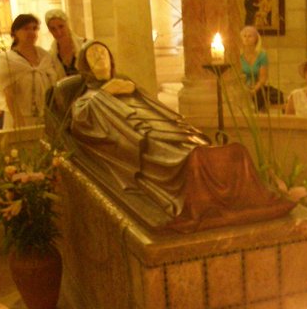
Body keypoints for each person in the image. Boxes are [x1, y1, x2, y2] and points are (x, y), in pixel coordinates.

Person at [52, 40, 294, 230]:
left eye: (103, 53)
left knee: (223, 150)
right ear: (85, 66)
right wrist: (104, 93)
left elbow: (161, 112)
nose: (99, 57)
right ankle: (193, 166)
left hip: (164, 128)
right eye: (93, 55)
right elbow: (83, 127)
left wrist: (132, 90)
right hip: (141, 139)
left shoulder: (130, 87)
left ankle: (207, 161)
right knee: (186, 156)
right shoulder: (87, 101)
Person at [0, 13, 58, 128]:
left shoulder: (45, 56)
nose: (31, 32)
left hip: (45, 116)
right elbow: (9, 94)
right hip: (19, 118)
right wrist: (20, 123)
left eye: (34, 28)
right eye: (26, 29)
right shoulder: (8, 59)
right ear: (15, 32)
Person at [45, 8, 87, 80]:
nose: (58, 32)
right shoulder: (51, 56)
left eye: (61, 26)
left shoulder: (85, 46)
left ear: (67, 25)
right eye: (53, 29)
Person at [240, 25, 270, 112]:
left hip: (258, 87)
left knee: (259, 96)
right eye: (244, 36)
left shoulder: (262, 55)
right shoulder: (238, 56)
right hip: (242, 87)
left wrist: (254, 89)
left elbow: (263, 78)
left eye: (250, 36)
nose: (247, 38)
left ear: (256, 39)